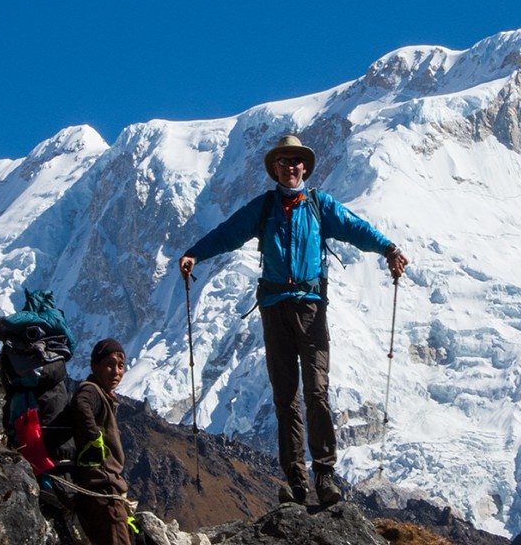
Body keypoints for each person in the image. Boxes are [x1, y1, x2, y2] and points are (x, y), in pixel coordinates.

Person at [178, 134, 408, 506]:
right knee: (285, 397)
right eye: (283, 161)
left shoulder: (320, 205)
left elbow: (356, 227)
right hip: (274, 308)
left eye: (295, 161)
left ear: (304, 167)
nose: (290, 167)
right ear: (275, 168)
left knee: (316, 392)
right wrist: (195, 254)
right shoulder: (263, 208)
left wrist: (389, 248)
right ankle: (298, 481)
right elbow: (228, 233)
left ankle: (325, 474)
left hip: (311, 307)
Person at [71, 338, 131, 545]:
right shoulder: (92, 390)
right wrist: (93, 440)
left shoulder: (103, 395)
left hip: (101, 490)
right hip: (104, 489)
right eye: (109, 364)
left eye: (120, 366)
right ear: (95, 366)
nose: (116, 372)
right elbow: (81, 404)